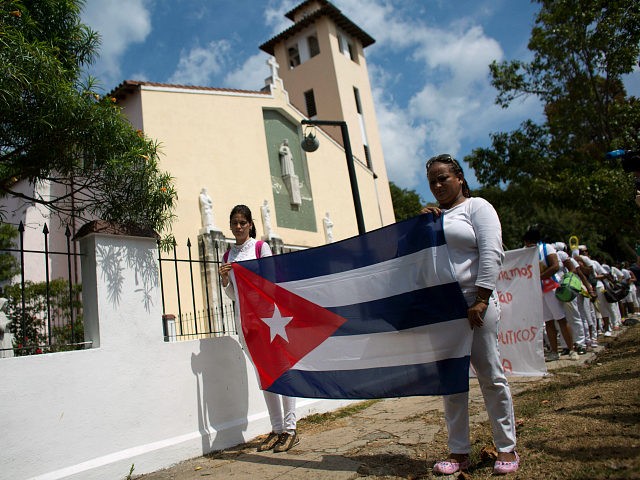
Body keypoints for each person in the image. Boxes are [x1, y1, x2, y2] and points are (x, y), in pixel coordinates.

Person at [421, 154, 518, 475]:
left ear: (459, 178)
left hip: (477, 305)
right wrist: (423, 228)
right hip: (444, 310)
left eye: (443, 178)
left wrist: (482, 298)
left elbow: (492, 250)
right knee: (452, 384)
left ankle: (507, 448)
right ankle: (458, 452)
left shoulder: (477, 207)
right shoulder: (433, 218)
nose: (437, 186)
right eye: (432, 181)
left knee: (490, 375)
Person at [218, 204, 298, 453]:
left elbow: (271, 282)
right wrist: (224, 280)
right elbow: (234, 295)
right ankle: (276, 429)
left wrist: (250, 275)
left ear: (251, 224)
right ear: (230, 226)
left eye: (243, 222)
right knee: (264, 374)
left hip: (271, 320)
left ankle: (291, 428)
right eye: (235, 223)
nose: (239, 227)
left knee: (281, 370)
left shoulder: (261, 248)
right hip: (247, 323)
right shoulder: (227, 256)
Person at [523, 229, 579, 361]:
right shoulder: (526, 252)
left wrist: (539, 276)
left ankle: (571, 349)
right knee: (548, 322)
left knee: (560, 319)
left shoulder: (545, 248)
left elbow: (555, 266)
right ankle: (554, 351)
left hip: (551, 288)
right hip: (538, 291)